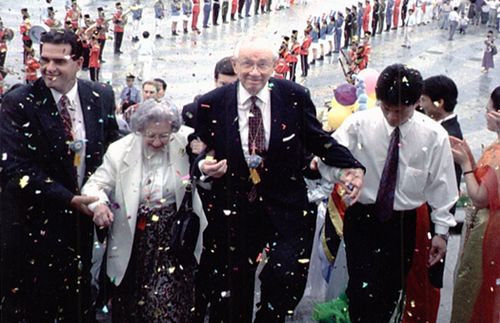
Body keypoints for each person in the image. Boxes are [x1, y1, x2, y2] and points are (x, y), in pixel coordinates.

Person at [193, 36, 364, 323]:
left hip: (285, 206)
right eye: (247, 64)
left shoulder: (293, 95)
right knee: (233, 286)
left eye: (262, 64)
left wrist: (352, 165)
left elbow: (317, 138)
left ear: (275, 66)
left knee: (284, 278)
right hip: (234, 209)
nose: (254, 72)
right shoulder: (211, 103)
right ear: (236, 65)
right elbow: (199, 149)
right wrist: (204, 167)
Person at [322, 63, 458, 323]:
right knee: (362, 289)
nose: (393, 117)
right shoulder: (359, 124)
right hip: (363, 216)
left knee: (390, 292)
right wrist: (343, 175)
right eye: (387, 109)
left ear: (417, 102)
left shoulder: (433, 135)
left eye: (400, 111)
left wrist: (441, 232)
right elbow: (327, 158)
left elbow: (443, 186)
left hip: (403, 223)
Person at [0, 29, 119, 322]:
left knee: (77, 301)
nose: (49, 68)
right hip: (33, 224)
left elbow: (114, 150)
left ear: (79, 62)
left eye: (59, 61)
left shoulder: (100, 95)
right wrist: (69, 198)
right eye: (44, 59)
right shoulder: (19, 101)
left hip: (83, 223)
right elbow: (15, 168)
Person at [81, 99, 207, 323]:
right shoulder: (120, 151)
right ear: (139, 131)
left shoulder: (185, 141)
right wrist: (99, 204)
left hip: (175, 238)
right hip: (134, 238)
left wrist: (205, 163)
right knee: (133, 306)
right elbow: (94, 185)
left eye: (164, 135)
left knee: (168, 306)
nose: (158, 142)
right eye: (151, 135)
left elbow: (203, 171)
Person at [450, 85, 500, 323]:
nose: (485, 112)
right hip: (488, 227)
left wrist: (465, 165)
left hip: (489, 231)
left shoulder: (498, 153)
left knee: (475, 288)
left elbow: (480, 196)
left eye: (487, 107)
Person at [182, 56, 237, 128]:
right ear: (215, 81)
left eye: (234, 84)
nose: (228, 89)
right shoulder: (197, 109)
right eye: (223, 84)